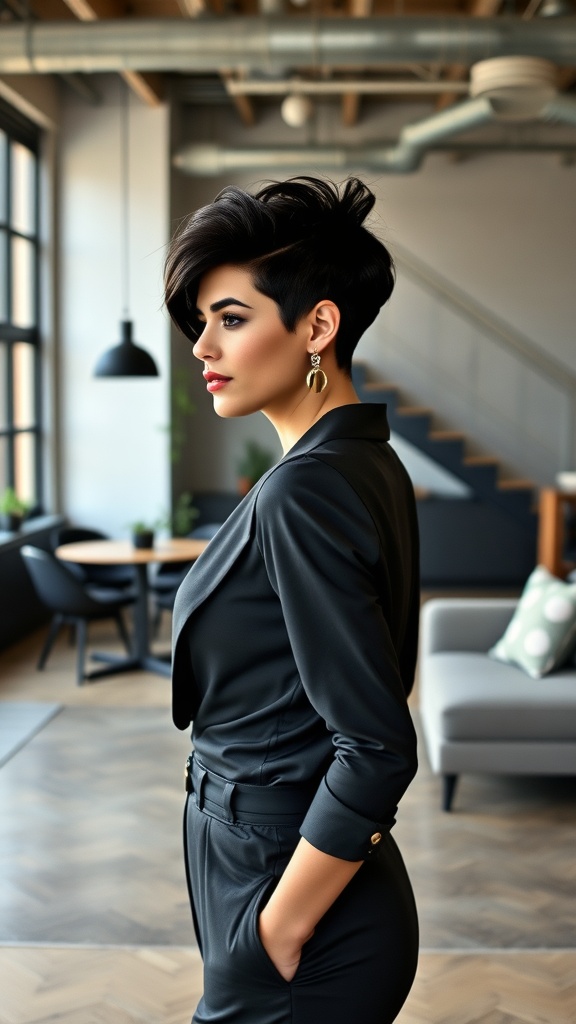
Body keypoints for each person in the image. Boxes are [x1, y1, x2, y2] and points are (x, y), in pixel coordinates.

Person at [164, 176, 420, 1024]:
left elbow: (378, 744)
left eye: (230, 319)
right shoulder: (361, 461)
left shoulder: (304, 491)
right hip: (268, 859)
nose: (202, 347)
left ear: (317, 325)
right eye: (202, 322)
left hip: (292, 895)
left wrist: (277, 928)